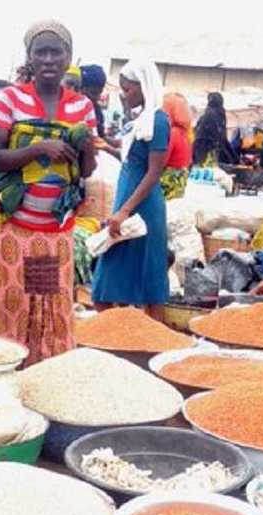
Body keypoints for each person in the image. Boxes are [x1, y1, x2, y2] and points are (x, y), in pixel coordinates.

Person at [0, 20, 96, 363]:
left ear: (68, 57)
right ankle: (5, 370)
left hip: (56, 231)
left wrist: (85, 144)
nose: (48, 59)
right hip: (17, 227)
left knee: (47, 304)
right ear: (29, 57)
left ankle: (42, 375)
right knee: (13, 303)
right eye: (39, 52)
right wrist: (40, 148)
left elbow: (86, 170)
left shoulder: (82, 107)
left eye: (55, 51)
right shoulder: (10, 99)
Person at [92, 60, 170, 320]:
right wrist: (106, 147)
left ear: (143, 86)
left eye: (128, 90)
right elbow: (132, 159)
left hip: (142, 206)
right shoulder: (141, 120)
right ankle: (123, 336)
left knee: (146, 281)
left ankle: (149, 341)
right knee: (111, 280)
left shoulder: (159, 121)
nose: (125, 95)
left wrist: (124, 211)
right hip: (128, 200)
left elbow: (153, 171)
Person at [160, 92, 193, 199]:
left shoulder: (173, 133)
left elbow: (162, 161)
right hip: (180, 181)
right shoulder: (186, 133)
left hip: (168, 181)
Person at [194, 92, 234, 166]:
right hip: (208, 153)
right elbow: (222, 138)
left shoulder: (207, 114)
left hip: (201, 154)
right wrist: (233, 158)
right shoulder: (217, 115)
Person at [80, 64, 108, 138]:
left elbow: (100, 137)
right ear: (81, 89)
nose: (98, 97)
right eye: (94, 93)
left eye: (100, 92)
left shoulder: (96, 110)